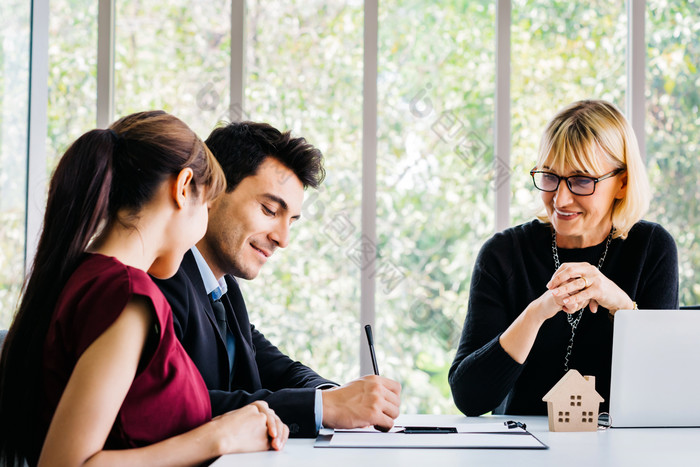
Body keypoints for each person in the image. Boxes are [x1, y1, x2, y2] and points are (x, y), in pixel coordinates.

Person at [0, 111, 288, 467]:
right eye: (207, 206)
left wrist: (230, 424)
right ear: (183, 189)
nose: (204, 226)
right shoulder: (126, 295)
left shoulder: (89, 278)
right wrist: (219, 437)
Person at [154, 121, 401, 437]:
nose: (283, 239)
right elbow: (178, 405)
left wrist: (337, 396)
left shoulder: (223, 290)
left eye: (291, 221)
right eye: (270, 210)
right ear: (211, 192)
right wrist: (325, 407)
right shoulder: (164, 278)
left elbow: (279, 369)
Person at [449, 100, 679, 417]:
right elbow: (469, 397)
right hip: (522, 451)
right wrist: (537, 312)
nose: (560, 198)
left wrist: (622, 306)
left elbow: (667, 385)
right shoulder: (503, 253)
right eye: (549, 176)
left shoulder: (651, 248)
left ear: (622, 182)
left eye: (582, 180)